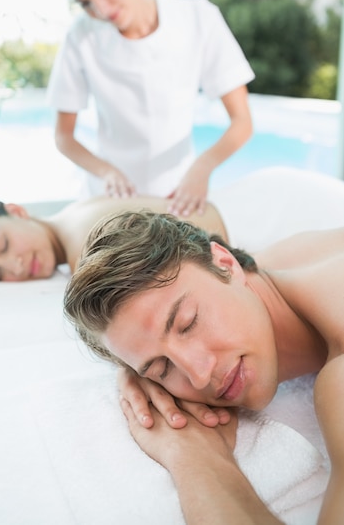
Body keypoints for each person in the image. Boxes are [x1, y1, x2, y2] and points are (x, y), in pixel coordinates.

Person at [64, 210, 344, 524]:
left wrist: (194, 454)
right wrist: (133, 363)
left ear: (225, 263)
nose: (198, 375)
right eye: (162, 368)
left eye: (188, 323)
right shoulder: (261, 269)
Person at [46, 0, 254, 216]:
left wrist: (202, 169)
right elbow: (63, 136)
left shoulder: (198, 17)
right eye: (85, 2)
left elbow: (242, 122)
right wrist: (106, 173)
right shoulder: (81, 37)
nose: (101, 9)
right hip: (111, 204)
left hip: (179, 198)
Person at [0, 167, 344, 282]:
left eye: (3, 246)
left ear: (17, 211)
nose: (13, 267)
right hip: (258, 195)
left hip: (273, 218)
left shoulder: (86, 248)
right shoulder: (76, 210)